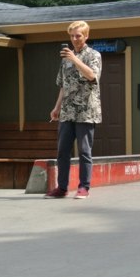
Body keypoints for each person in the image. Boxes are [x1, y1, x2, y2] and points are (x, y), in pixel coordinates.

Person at [45, 20, 102, 199]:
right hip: (67, 111)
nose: (75, 39)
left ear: (86, 36)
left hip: (86, 111)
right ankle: (62, 188)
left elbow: (92, 76)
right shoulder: (65, 59)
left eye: (78, 36)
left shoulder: (94, 55)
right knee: (62, 151)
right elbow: (63, 85)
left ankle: (84, 187)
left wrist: (75, 59)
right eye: (72, 36)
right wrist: (56, 107)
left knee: (85, 151)